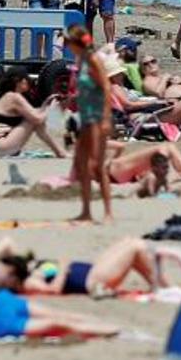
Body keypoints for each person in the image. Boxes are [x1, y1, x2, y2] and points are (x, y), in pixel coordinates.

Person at [18, 237, 181, 296]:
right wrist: (64, 268)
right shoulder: (29, 281)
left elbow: (7, 245)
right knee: (135, 247)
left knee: (129, 240)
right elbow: (53, 290)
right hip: (91, 281)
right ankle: (164, 287)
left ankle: (160, 285)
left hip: (91, 270)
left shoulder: (30, 270)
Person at [65, 26, 112, 223]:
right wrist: (71, 99)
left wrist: (107, 119)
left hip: (97, 118)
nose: (67, 46)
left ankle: (108, 212)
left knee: (96, 166)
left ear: (77, 43)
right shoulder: (81, 60)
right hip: (84, 118)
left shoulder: (93, 59)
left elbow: (106, 88)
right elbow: (87, 87)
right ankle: (86, 211)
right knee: (81, 164)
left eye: (68, 42)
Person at [0, 69, 66, 158]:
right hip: (0, 145)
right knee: (33, 121)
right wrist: (51, 109)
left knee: (34, 119)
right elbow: (37, 119)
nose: (28, 82)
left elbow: (35, 113)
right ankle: (59, 152)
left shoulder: (8, 96)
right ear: (19, 81)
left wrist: (45, 104)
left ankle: (59, 151)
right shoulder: (15, 97)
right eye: (26, 79)